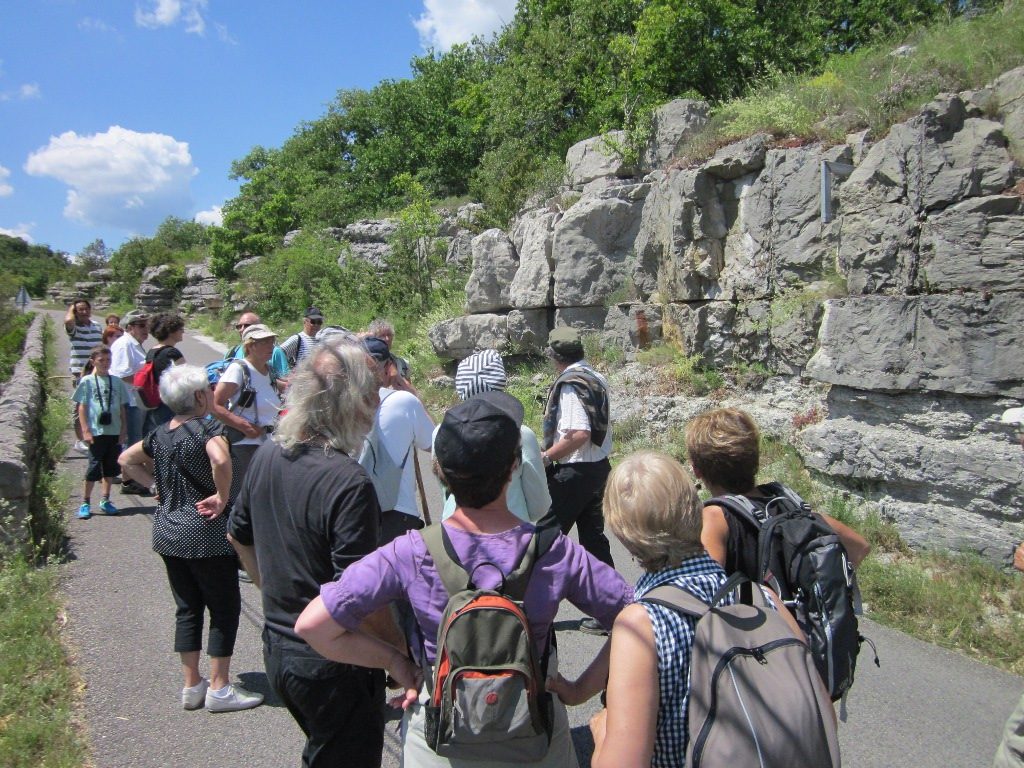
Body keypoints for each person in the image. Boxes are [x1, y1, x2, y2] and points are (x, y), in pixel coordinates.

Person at [294, 393, 633, 768]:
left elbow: (314, 626)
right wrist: (579, 689)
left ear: (439, 471)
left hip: (440, 742)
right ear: (515, 467)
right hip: (534, 737)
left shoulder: (411, 552)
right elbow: (637, 619)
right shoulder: (552, 550)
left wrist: (396, 662)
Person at [548, 452, 804, 768]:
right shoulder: (763, 598)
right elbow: (815, 710)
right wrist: (577, 691)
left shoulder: (643, 623)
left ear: (624, 534)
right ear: (695, 507)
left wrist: (602, 735)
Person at [228, 339, 388, 767]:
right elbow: (359, 596)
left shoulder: (267, 455)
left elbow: (238, 535)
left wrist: (274, 591)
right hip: (333, 663)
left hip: (280, 650)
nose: (376, 404)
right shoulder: (348, 481)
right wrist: (403, 655)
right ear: (352, 402)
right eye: (371, 393)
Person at [119, 364, 263, 713]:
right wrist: (222, 496)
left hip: (168, 531)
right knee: (224, 607)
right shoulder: (208, 429)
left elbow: (126, 459)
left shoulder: (160, 433)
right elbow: (220, 458)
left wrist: (154, 486)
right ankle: (220, 687)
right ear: (200, 396)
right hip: (205, 533)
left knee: (187, 609)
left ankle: (191, 685)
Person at [686, 408, 871, 579]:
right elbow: (859, 547)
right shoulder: (785, 502)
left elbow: (706, 587)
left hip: (756, 615)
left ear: (697, 470)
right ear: (755, 459)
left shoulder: (714, 518)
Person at [540, 326, 615, 633]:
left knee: (544, 540)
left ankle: (534, 610)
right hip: (599, 469)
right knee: (594, 541)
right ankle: (610, 609)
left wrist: (547, 457)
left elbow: (579, 434)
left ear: (554, 356)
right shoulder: (596, 378)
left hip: (574, 472)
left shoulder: (571, 384)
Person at [436, 349, 550, 522]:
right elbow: (539, 506)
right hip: (510, 532)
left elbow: (446, 493)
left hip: (454, 528)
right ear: (501, 386)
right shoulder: (521, 433)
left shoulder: (441, 431)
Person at [361, 336, 434, 543]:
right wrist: (413, 394)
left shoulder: (342, 403)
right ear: (389, 367)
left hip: (354, 514)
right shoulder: (403, 401)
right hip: (396, 511)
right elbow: (435, 443)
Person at [213, 323, 283, 481]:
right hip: (245, 443)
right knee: (250, 490)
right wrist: (244, 426)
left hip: (268, 440)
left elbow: (281, 388)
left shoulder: (268, 370)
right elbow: (215, 405)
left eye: (271, 341)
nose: (270, 346)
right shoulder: (238, 369)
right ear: (250, 346)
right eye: (264, 342)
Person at [72, 345, 129, 519]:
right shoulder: (87, 381)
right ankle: (85, 501)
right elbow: (82, 407)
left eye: (108, 360)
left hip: (113, 430)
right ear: (93, 361)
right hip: (96, 431)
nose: (105, 364)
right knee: (94, 466)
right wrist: (85, 429)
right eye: (101, 360)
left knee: (110, 467)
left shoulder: (117, 382)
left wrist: (123, 429)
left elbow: (121, 408)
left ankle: (105, 499)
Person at [109, 310, 150, 492]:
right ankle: (129, 481)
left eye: (146, 325)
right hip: (129, 401)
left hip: (137, 400)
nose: (145, 329)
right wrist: (148, 383)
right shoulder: (125, 344)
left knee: (137, 440)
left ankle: (130, 479)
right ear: (129, 327)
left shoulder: (135, 344)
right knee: (132, 442)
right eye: (141, 326)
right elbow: (121, 374)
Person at [65, 298, 104, 452]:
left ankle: (93, 436)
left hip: (96, 370)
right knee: (81, 405)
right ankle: (80, 440)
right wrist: (71, 309)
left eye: (86, 308)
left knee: (96, 404)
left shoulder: (96, 326)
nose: (84, 312)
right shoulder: (74, 328)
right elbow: (68, 320)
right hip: (80, 371)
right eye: (79, 309)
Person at [142, 312, 186, 433]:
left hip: (156, 402)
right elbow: (186, 380)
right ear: (171, 331)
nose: (183, 332)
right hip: (171, 404)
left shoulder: (152, 351)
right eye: (180, 329)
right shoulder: (172, 353)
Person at [233, 311, 290, 379]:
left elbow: (286, 382)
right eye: (239, 326)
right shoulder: (233, 351)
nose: (241, 329)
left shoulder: (275, 352)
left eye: (247, 325)